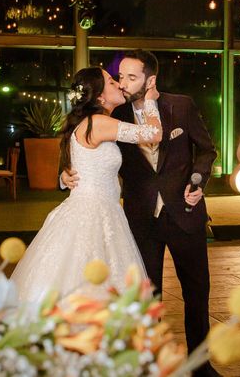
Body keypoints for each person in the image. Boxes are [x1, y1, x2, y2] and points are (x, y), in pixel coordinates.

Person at [61, 50, 218, 377]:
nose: (122, 82)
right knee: (148, 299)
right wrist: (64, 175)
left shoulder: (182, 106)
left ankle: (201, 367)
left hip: (185, 213)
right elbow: (80, 147)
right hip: (138, 219)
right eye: (119, 77)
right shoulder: (116, 114)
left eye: (131, 77)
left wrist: (198, 179)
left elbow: (206, 149)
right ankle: (153, 365)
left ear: (151, 80)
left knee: (197, 294)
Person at [10, 67, 162, 306]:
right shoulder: (98, 122)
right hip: (94, 213)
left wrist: (64, 176)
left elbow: (82, 164)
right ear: (100, 96)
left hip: (99, 209)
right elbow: (153, 133)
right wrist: (151, 102)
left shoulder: (93, 123)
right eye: (112, 82)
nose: (120, 85)